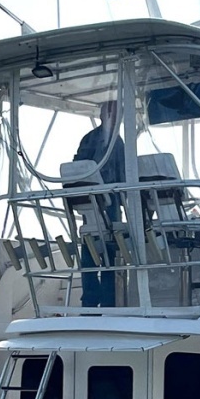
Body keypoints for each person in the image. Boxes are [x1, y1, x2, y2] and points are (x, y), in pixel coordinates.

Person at [74, 101, 125, 306]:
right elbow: (124, 174)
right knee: (108, 250)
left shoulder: (93, 139)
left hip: (93, 200)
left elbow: (77, 166)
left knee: (93, 250)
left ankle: (94, 300)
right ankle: (105, 300)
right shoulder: (115, 142)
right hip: (105, 201)